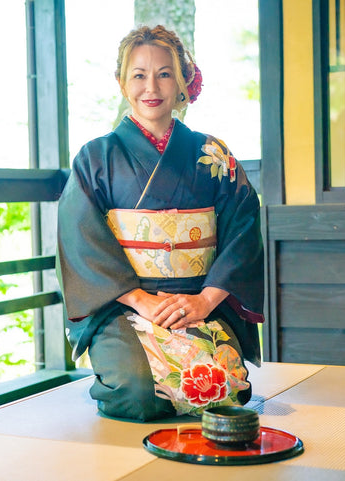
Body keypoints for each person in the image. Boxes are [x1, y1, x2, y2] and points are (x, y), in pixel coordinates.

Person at [56, 25, 264, 422]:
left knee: (227, 387)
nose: (151, 86)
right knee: (135, 393)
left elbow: (243, 229)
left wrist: (204, 301)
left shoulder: (211, 153)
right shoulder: (95, 157)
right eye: (138, 74)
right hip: (126, 305)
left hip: (196, 301)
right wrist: (141, 301)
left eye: (165, 73)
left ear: (183, 81)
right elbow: (80, 236)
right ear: (121, 83)